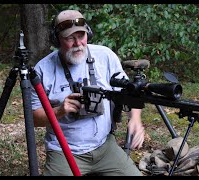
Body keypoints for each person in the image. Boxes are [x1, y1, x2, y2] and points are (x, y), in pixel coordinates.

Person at [31, 9, 145, 176]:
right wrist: (60, 110)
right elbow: (33, 118)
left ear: (88, 34)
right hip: (64, 151)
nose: (78, 43)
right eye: (70, 38)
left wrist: (135, 119)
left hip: (104, 146)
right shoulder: (42, 70)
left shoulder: (105, 56)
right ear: (57, 40)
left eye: (81, 36)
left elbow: (130, 92)